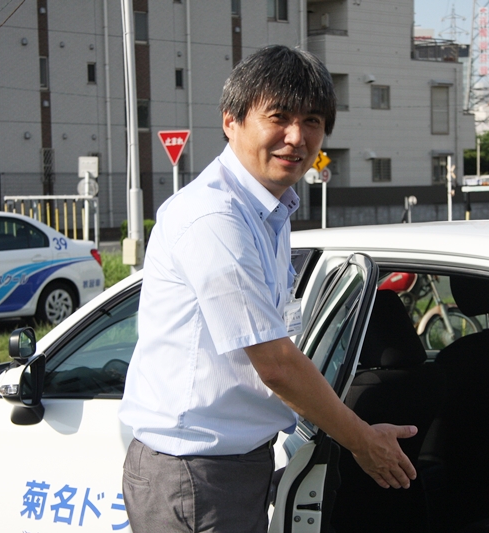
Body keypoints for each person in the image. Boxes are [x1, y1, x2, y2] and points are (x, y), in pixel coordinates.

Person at [119, 44, 417, 533]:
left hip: (227, 466)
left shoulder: (267, 211)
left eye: (313, 121)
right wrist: (361, 440)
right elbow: (275, 363)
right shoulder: (215, 217)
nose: (297, 138)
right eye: (278, 117)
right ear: (231, 120)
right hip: (195, 474)